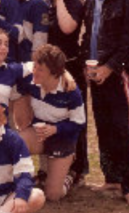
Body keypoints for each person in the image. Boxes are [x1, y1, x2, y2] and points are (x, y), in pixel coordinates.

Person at [80, 0, 129, 206]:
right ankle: (112, 179)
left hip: (118, 75)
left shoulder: (128, 0)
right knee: (103, 126)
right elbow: (88, 37)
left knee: (121, 129)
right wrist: (87, 64)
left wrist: (110, 68)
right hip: (95, 74)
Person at [18, 45, 85, 202]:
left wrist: (56, 129)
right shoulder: (31, 78)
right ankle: (19, 183)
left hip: (62, 138)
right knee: (15, 142)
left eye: (40, 69)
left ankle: (69, 176)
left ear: (54, 73)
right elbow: (13, 71)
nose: (34, 71)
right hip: (39, 133)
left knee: (53, 195)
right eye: (34, 66)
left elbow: (79, 123)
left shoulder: (71, 92)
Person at [42, 0, 88, 187]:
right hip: (51, 69)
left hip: (71, 66)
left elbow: (68, 28)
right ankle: (55, 166)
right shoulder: (48, 4)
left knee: (74, 117)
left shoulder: (74, 2)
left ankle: (78, 168)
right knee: (52, 115)